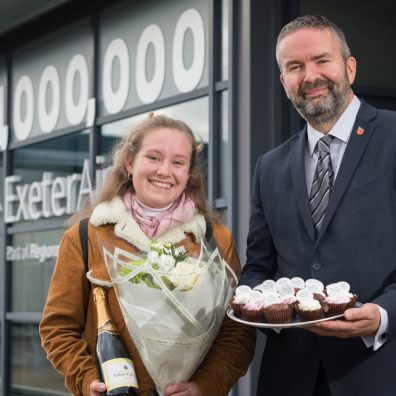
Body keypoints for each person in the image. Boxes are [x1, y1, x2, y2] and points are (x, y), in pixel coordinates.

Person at [40, 114, 256, 396]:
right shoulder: (86, 236)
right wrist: (87, 379)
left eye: (178, 162)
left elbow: (236, 332)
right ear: (130, 163)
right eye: (153, 157)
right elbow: (58, 328)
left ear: (189, 173)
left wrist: (204, 387)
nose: (164, 171)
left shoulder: (213, 238)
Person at [239, 15, 396, 396]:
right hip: (289, 378)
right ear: (283, 81)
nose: (309, 76)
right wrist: (260, 306)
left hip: (380, 371)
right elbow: (258, 267)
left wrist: (384, 315)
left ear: (350, 67)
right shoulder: (269, 166)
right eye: (294, 67)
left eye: (321, 60)